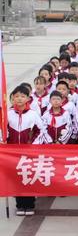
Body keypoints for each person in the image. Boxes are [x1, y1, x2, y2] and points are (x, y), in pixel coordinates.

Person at [5, 85, 52, 216]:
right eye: (16, 96)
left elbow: (41, 130)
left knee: (29, 177)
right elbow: (3, 131)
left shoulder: (33, 114)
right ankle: (20, 205)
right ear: (13, 98)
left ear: (28, 98)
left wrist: (33, 145)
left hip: (30, 153)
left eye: (22, 96)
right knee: (17, 178)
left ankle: (30, 204)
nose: (19, 99)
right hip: (12, 154)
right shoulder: (8, 114)